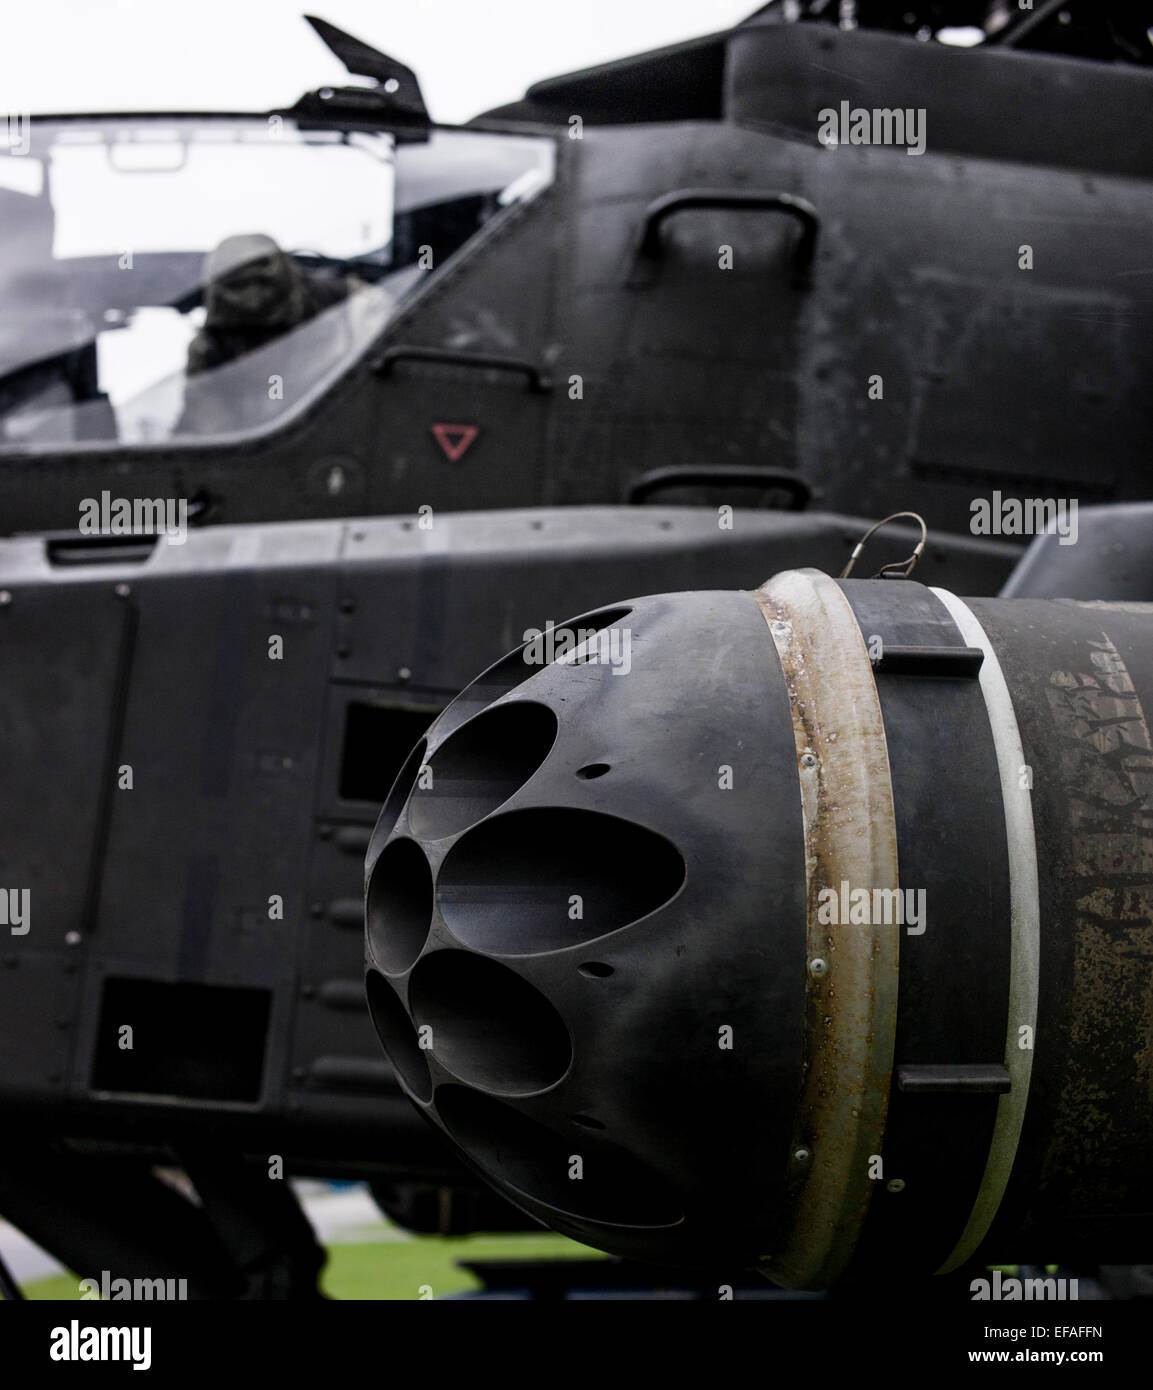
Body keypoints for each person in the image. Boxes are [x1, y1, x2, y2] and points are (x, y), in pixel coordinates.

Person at [185, 233, 353, 376]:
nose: (249, 354)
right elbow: (204, 408)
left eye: (262, 335)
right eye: (237, 335)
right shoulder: (209, 353)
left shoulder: (349, 314)